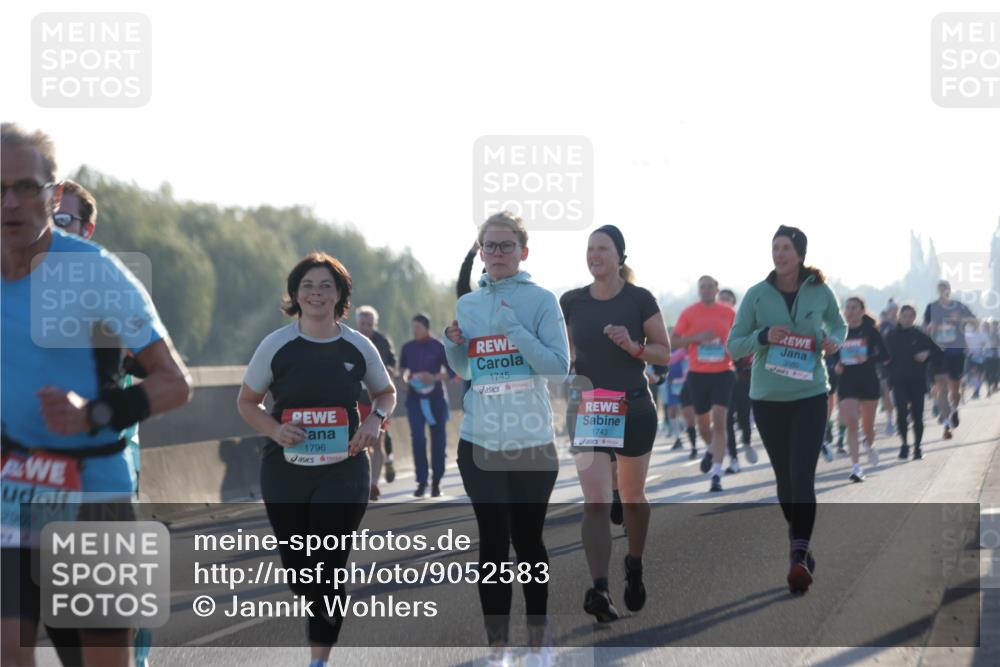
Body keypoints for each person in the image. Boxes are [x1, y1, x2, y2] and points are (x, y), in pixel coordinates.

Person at [2, 122, 193, 667]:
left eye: (24, 188)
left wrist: (96, 413)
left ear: (54, 194)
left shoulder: (94, 272)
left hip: (93, 494)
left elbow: (174, 383)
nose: (10, 204)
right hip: (13, 490)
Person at [237, 252, 395, 667]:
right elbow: (247, 402)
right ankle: (319, 599)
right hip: (285, 470)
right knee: (298, 568)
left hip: (344, 468)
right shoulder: (277, 345)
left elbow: (386, 393)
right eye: (308, 285)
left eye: (326, 285)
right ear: (295, 294)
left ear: (340, 294)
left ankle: (318, 660)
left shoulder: (357, 345)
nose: (316, 293)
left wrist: (373, 422)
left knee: (328, 564)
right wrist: (274, 430)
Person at [443, 211, 569, 666]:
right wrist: (453, 344)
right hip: (480, 441)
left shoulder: (541, 300)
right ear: (480, 252)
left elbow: (558, 366)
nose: (497, 253)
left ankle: (539, 641)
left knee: (529, 542)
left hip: (531, 441)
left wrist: (516, 332)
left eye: (505, 246)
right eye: (489, 246)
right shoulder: (469, 306)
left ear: (523, 251)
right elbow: (467, 370)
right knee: (493, 543)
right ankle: (498, 649)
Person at [54, 177, 154, 667]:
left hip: (100, 472)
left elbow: (166, 377)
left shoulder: (108, 284)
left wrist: (99, 410)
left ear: (86, 228)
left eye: (62, 218)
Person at [560, 225, 670, 623]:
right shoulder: (570, 301)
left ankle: (634, 564)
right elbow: (560, 351)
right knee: (596, 502)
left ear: (619, 256)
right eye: (590, 248)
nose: (594, 254)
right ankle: (600, 588)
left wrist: (634, 346)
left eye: (602, 248)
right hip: (590, 409)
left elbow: (664, 354)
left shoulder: (639, 300)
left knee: (633, 496)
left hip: (635, 408)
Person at [728, 225, 846, 594]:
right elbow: (734, 345)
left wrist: (831, 342)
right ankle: (802, 545)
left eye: (786, 248)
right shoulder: (758, 295)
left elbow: (839, 327)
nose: (779, 254)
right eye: (775, 248)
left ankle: (797, 555)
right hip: (768, 398)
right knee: (784, 480)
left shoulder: (820, 291)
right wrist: (763, 337)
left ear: (800, 254)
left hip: (811, 393)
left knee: (802, 474)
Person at [670, 275, 736, 492]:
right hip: (697, 374)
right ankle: (710, 449)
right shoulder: (689, 313)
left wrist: (731, 348)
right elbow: (674, 340)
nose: (706, 290)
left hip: (723, 373)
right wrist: (695, 338)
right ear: (699, 290)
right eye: (702, 287)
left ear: (717, 289)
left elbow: (740, 338)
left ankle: (716, 474)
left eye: (710, 287)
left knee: (719, 420)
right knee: (702, 424)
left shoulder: (728, 312)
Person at [832, 296, 889, 482]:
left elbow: (885, 356)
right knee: (851, 423)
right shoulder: (839, 332)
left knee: (868, 426)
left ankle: (870, 444)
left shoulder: (871, 332)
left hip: (868, 380)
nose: (850, 311)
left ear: (862, 311)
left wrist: (868, 359)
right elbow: (831, 354)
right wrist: (836, 366)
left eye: (854, 307)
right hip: (847, 381)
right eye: (847, 307)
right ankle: (856, 467)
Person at [400, 313, 455, 497]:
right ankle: (422, 481)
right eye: (412, 328)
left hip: (436, 399)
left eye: (417, 327)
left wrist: (433, 377)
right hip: (415, 400)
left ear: (426, 327)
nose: (414, 331)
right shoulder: (407, 348)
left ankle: (437, 481)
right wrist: (406, 381)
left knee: (438, 441)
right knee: (417, 438)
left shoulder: (438, 346)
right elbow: (402, 371)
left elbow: (452, 373)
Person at [885, 305, 942, 460]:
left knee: (918, 415)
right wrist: (887, 363)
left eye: (911, 316)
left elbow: (939, 353)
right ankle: (904, 445)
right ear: (899, 317)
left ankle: (917, 447)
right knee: (901, 413)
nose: (908, 319)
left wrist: (927, 354)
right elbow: (883, 357)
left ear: (914, 317)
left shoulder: (921, 335)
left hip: (917, 380)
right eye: (905, 316)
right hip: (898, 380)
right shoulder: (891, 336)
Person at [924, 280, 977, 440]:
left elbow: (974, 322)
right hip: (939, 351)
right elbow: (926, 327)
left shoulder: (959, 306)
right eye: (940, 289)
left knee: (955, 390)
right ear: (937, 291)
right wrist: (933, 326)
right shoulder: (931, 307)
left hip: (956, 351)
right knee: (942, 388)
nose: (943, 292)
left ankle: (954, 410)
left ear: (949, 290)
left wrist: (960, 320)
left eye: (945, 289)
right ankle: (947, 425)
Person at [355, 305, 398, 499]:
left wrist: (388, 371)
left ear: (375, 324)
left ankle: (373, 483)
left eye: (369, 324)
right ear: (358, 323)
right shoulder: (350, 339)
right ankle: (363, 479)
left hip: (378, 399)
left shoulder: (382, 341)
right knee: (360, 442)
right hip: (357, 399)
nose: (366, 327)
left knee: (378, 441)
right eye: (363, 323)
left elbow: (392, 364)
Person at [718, 288, 758, 472]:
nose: (724, 302)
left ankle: (747, 442)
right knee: (726, 420)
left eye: (727, 299)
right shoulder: (712, 324)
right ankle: (734, 460)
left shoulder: (742, 322)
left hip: (742, 377)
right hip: (721, 378)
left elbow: (750, 347)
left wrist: (744, 361)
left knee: (743, 415)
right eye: (721, 300)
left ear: (734, 303)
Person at [877, 300, 899, 436]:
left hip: (900, 364)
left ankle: (903, 415)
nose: (893, 311)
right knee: (885, 392)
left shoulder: (903, 324)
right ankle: (890, 421)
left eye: (895, 309)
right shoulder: (883, 325)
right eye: (891, 309)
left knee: (900, 393)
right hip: (884, 364)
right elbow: (877, 342)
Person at [965, 320, 989, 400]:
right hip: (970, 356)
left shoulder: (982, 334)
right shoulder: (967, 334)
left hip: (980, 356)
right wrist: (966, 350)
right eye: (971, 324)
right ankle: (976, 390)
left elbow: (988, 344)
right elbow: (964, 344)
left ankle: (976, 391)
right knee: (972, 373)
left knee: (978, 374)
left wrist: (983, 348)